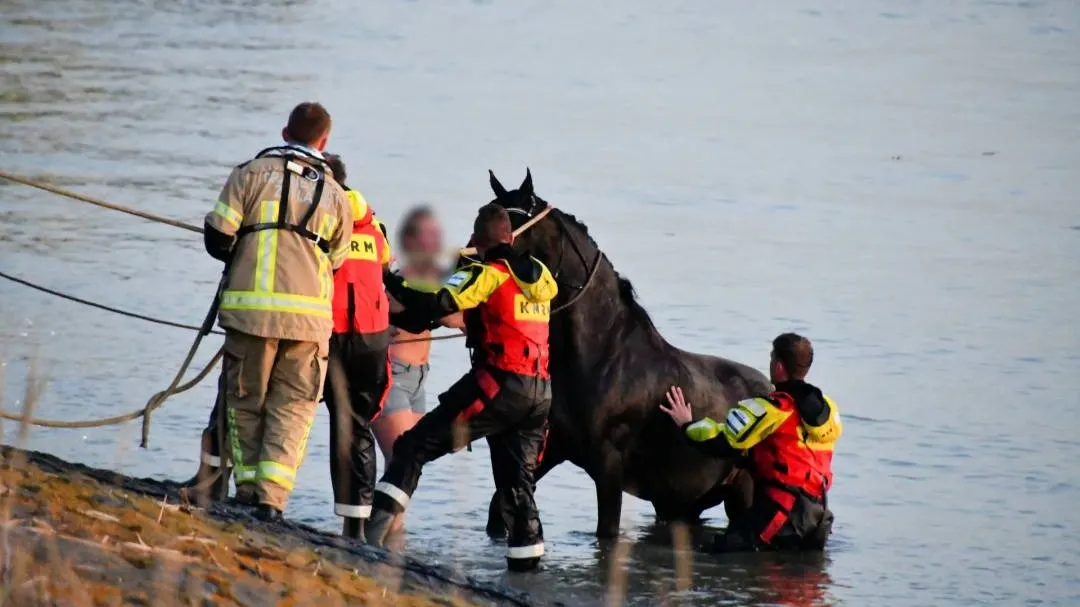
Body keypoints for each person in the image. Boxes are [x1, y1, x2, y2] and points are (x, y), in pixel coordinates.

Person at [365, 203, 557, 572]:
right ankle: (527, 578)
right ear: (512, 237)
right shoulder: (541, 277)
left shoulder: (489, 273)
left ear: (478, 242)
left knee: (412, 447)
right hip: (540, 393)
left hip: (499, 387)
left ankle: (370, 545)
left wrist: (388, 280)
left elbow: (435, 303)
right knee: (517, 485)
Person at [201, 101, 352, 521]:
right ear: (324, 142)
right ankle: (272, 500)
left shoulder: (249, 174)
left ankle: (246, 490)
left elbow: (217, 236)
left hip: (249, 315)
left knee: (245, 400)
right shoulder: (337, 195)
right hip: (308, 323)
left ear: (285, 132)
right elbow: (337, 260)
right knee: (295, 407)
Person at [659, 333, 841, 552]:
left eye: (772, 358)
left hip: (779, 518)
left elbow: (722, 441)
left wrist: (687, 425)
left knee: (705, 555)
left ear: (779, 366)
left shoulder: (771, 409)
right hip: (817, 519)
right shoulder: (829, 411)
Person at [320, 153, 393, 539]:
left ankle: (260, 498)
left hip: (332, 332)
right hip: (373, 337)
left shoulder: (320, 213)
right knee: (357, 426)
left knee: (295, 408)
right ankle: (356, 527)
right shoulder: (373, 222)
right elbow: (385, 260)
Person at [376, 207, 463, 465]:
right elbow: (450, 316)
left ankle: (373, 505)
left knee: (409, 469)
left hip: (419, 380)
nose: (436, 242)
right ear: (410, 242)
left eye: (438, 235)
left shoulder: (435, 279)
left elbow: (463, 318)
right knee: (401, 463)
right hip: (394, 377)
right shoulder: (405, 280)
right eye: (428, 236)